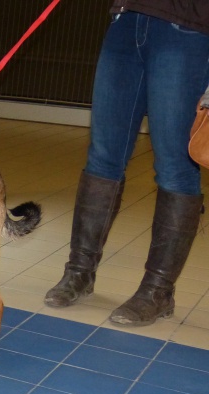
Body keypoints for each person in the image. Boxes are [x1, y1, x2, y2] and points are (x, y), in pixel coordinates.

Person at [45, 2, 209, 327]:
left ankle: (158, 291)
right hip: (126, 19)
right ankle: (79, 272)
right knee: (103, 156)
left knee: (175, 166)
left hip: (187, 26)